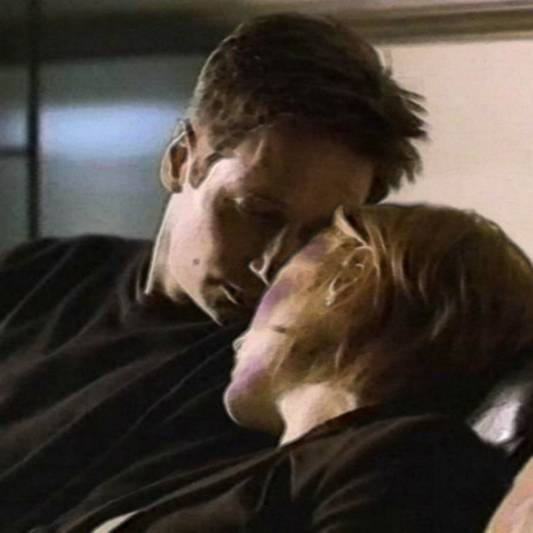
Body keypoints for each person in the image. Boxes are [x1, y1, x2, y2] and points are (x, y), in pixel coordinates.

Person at [0, 13, 425, 531]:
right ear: (182, 159)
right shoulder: (43, 273)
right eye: (257, 213)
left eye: (317, 235)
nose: (274, 264)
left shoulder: (266, 381)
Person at [53, 203, 533, 531]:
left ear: (347, 279)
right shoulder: (227, 470)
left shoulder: (419, 463)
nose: (257, 300)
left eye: (285, 272)